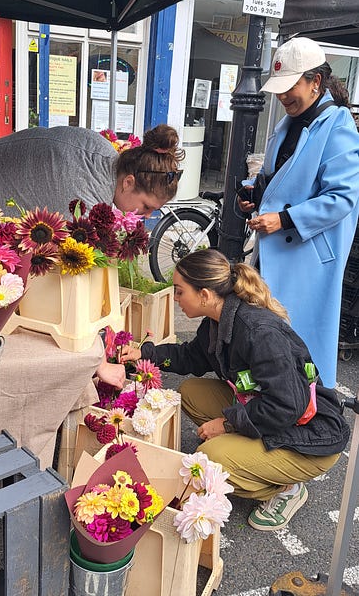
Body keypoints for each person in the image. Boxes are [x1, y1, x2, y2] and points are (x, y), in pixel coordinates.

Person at [121, 249, 350, 531]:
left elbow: (287, 405)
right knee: (191, 391)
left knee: (212, 461)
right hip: (272, 410)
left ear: (204, 294)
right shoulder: (218, 322)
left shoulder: (258, 332)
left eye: (180, 292)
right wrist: (143, 354)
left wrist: (227, 424)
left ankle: (285, 489)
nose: (176, 299)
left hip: (309, 433)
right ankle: (247, 457)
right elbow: (190, 356)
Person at [237, 37, 359, 389]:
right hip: (275, 249)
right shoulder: (287, 124)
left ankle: (303, 420)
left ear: (315, 81)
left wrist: (285, 219)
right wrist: (253, 196)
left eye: (290, 87)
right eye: (279, 89)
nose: (283, 97)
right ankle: (263, 406)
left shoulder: (338, 126)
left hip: (305, 258)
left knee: (298, 346)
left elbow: (342, 198)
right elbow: (274, 180)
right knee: (267, 339)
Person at [0, 124, 184, 247]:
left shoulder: (106, 156)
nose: (147, 216)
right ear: (128, 183)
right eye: (147, 206)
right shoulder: (85, 194)